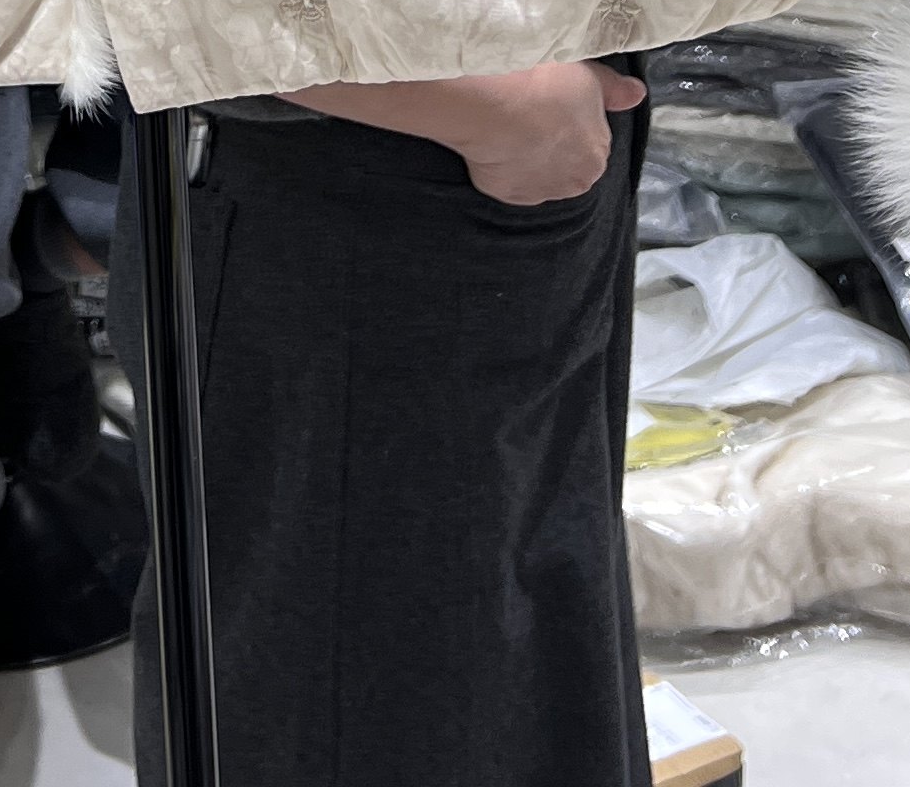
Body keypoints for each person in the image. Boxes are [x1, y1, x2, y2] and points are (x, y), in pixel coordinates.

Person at [115, 62, 653, 786]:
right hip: (366, 161)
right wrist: (502, 107)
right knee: (362, 711)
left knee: (514, 676)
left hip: (456, 142)